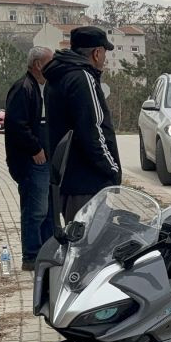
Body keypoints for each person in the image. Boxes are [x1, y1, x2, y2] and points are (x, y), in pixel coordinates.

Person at [44, 26, 122, 223]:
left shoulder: (58, 76)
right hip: (86, 181)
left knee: (76, 240)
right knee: (89, 244)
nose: (104, 58)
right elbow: (92, 130)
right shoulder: (82, 77)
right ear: (96, 53)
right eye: (104, 52)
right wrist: (112, 169)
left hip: (68, 177)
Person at [3, 46, 55, 270]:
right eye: (49, 62)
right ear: (38, 65)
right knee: (36, 210)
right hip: (32, 161)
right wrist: (35, 148)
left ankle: (47, 252)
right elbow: (17, 126)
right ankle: (31, 257)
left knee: (48, 210)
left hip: (45, 160)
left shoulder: (42, 87)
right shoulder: (23, 88)